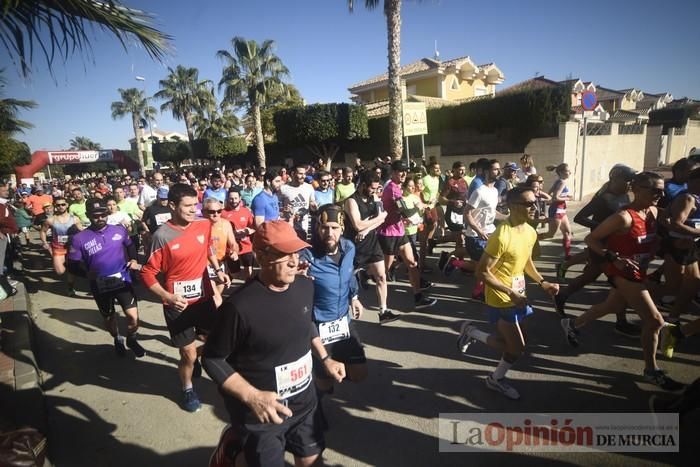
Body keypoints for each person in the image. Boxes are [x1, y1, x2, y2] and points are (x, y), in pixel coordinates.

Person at [203, 220, 345, 467]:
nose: (293, 261)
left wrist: (325, 358)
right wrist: (252, 396)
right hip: (262, 413)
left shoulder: (305, 286)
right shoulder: (239, 307)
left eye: (296, 252)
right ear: (260, 256)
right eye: (283, 254)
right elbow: (212, 359)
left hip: (305, 403)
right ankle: (233, 447)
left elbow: (306, 323)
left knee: (313, 462)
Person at [560, 172, 684, 391]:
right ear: (636, 189)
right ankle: (651, 370)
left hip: (640, 272)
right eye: (654, 189)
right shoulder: (624, 217)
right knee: (654, 321)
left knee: (612, 306)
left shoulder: (655, 212)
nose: (659, 194)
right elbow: (591, 238)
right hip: (623, 274)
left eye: (662, 190)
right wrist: (613, 257)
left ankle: (572, 323)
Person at [457, 187, 559, 400]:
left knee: (513, 344)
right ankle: (495, 378)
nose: (535, 207)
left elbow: (526, 262)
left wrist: (543, 282)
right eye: (529, 204)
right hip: (501, 296)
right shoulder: (501, 235)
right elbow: (482, 271)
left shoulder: (530, 231)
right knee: (517, 348)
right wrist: (510, 293)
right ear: (513, 206)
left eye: (536, 202)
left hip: (518, 293)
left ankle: (472, 333)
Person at [141, 183, 227, 412]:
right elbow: (147, 273)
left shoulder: (203, 225)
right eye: (187, 206)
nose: (193, 210)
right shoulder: (162, 236)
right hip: (177, 304)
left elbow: (208, 249)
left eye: (195, 205)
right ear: (171, 205)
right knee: (187, 353)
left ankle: (203, 366)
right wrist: (167, 296)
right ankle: (188, 389)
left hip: (204, 299)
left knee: (218, 342)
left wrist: (218, 270)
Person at [554, 165, 641, 338]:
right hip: (600, 245)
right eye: (627, 179)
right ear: (615, 179)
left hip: (617, 245)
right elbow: (580, 217)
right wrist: (604, 228)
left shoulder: (624, 195)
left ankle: (561, 296)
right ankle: (621, 322)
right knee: (618, 281)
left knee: (592, 277)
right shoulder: (604, 198)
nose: (630, 183)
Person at [299, 205, 367, 426]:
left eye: (334, 227)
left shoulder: (349, 248)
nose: (329, 233)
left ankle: (319, 381)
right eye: (324, 227)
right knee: (325, 381)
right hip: (319, 327)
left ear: (342, 227)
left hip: (343, 322)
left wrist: (354, 297)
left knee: (358, 374)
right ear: (317, 228)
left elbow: (350, 276)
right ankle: (313, 409)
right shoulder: (307, 257)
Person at [66, 198, 145, 357]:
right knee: (109, 320)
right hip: (100, 286)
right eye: (96, 215)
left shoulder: (119, 230)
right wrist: (86, 274)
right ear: (88, 215)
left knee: (133, 317)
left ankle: (132, 338)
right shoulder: (79, 238)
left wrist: (134, 259)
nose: (100, 218)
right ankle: (117, 338)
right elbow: (72, 265)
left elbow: (130, 246)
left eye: (104, 214)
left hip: (122, 281)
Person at [377, 160, 436, 310]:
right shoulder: (392, 188)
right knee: (383, 271)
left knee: (412, 263)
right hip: (388, 233)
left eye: (405, 171)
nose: (403, 174)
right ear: (393, 172)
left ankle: (418, 297)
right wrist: (421, 207)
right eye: (400, 171)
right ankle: (364, 274)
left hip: (400, 231)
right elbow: (406, 212)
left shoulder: (397, 186)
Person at [344, 171, 398, 323]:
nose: (375, 192)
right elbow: (357, 224)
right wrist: (377, 219)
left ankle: (383, 311)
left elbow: (381, 219)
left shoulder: (374, 198)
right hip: (354, 246)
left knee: (381, 276)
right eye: (372, 188)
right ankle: (345, 310)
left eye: (376, 189)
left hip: (372, 243)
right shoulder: (351, 201)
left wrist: (368, 228)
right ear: (362, 186)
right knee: (346, 280)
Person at [40, 196, 82, 296]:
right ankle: (68, 272)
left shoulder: (75, 219)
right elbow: (43, 231)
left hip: (72, 247)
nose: (61, 207)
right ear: (55, 206)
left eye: (63, 204)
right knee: (60, 271)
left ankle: (70, 287)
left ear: (67, 205)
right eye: (58, 205)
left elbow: (82, 231)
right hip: (58, 247)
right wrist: (45, 243)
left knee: (71, 269)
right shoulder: (50, 220)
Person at [203, 197, 238, 295]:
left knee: (219, 296)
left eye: (219, 211)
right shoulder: (199, 226)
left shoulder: (226, 224)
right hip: (205, 266)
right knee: (215, 298)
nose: (216, 214)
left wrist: (234, 251)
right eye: (212, 211)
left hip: (221, 264)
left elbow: (233, 243)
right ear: (203, 212)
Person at [539, 163, 573, 259]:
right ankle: (531, 240)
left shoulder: (558, 181)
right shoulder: (562, 182)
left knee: (567, 232)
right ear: (561, 172)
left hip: (561, 210)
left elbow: (549, 195)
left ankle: (567, 255)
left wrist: (547, 199)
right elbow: (555, 197)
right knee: (550, 234)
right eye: (567, 171)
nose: (570, 172)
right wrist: (568, 198)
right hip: (557, 211)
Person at [222, 189, 256, 281]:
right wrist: (231, 234)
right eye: (231, 198)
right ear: (227, 199)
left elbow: (253, 228)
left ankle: (247, 293)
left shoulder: (246, 211)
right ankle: (228, 276)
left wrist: (248, 231)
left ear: (240, 199)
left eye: (236, 198)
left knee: (249, 273)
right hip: (231, 248)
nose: (233, 201)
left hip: (246, 246)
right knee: (236, 275)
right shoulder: (222, 213)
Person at [279, 165, 317, 240]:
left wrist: (313, 207)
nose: (303, 176)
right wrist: (283, 210)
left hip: (303, 228)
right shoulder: (283, 189)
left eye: (304, 174)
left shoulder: (309, 188)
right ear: (293, 174)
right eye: (300, 174)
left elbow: (312, 205)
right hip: (288, 227)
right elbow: (277, 208)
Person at [0, 184, 19, 299]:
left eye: (7, 190)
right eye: (3, 191)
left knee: (7, 257)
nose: (7, 192)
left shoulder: (4, 204)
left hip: (7, 235)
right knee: (2, 260)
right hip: (2, 236)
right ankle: (4, 287)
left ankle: (5, 283)